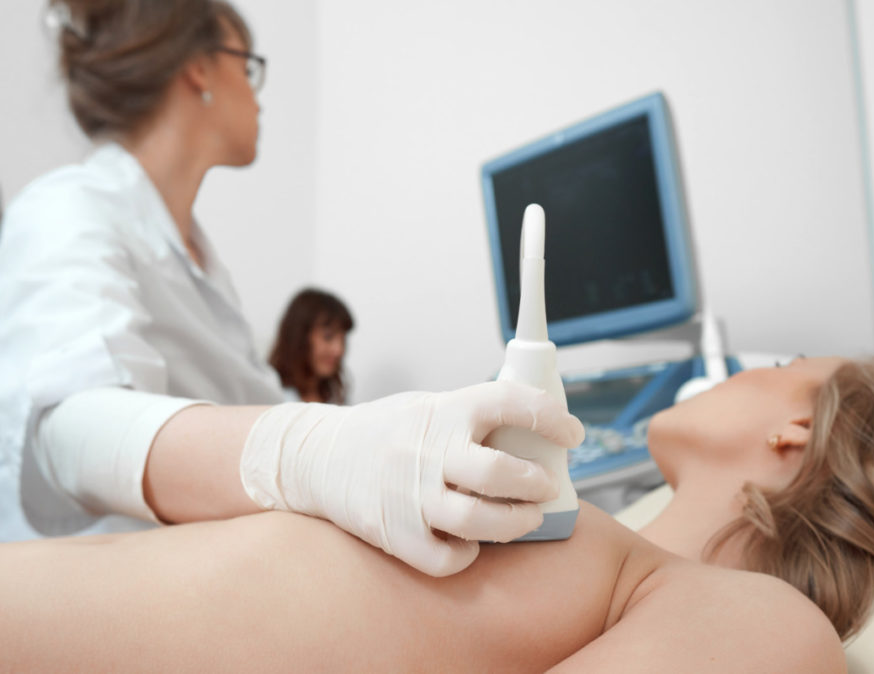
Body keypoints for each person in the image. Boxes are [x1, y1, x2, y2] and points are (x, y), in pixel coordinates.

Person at [0, 0, 584, 578]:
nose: (257, 94)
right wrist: (305, 455)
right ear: (200, 69)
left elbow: (255, 402)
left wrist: (406, 437)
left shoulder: (201, 260)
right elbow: (67, 436)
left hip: (228, 570)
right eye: (248, 67)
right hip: (128, 592)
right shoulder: (66, 209)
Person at [1, 357, 874, 669]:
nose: (740, 368)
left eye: (774, 358)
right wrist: (291, 453)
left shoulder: (751, 620)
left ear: (796, 424)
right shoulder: (605, 552)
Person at [269, 288, 354, 404]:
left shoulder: (336, 396)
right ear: (299, 336)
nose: (339, 350)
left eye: (343, 339)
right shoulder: (271, 396)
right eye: (328, 337)